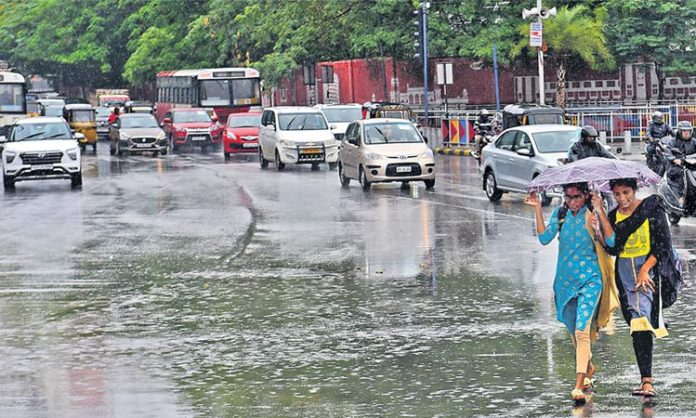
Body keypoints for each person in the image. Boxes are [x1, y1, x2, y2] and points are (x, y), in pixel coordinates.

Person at [525, 182, 616, 403]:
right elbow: (544, 238)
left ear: (586, 195)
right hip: (565, 282)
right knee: (574, 330)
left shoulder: (593, 213)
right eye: (568, 197)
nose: (572, 201)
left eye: (576, 197)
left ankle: (578, 385)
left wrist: (599, 218)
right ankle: (588, 367)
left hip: (590, 280)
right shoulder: (561, 213)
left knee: (582, 331)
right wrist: (537, 207)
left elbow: (612, 242)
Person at [596, 178, 682, 398]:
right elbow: (613, 247)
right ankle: (645, 379)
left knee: (641, 321)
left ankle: (647, 381)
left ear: (634, 190)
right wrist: (600, 215)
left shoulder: (651, 208)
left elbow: (662, 244)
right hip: (625, 276)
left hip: (649, 273)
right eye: (617, 194)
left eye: (626, 192)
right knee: (635, 323)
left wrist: (645, 270)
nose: (623, 199)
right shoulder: (614, 216)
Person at [663, 121, 696, 205]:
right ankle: (680, 196)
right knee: (678, 175)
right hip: (677, 165)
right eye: (684, 131)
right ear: (680, 131)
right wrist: (674, 159)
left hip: (691, 164)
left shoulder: (693, 141)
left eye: (688, 131)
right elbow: (667, 151)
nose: (686, 133)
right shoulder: (673, 141)